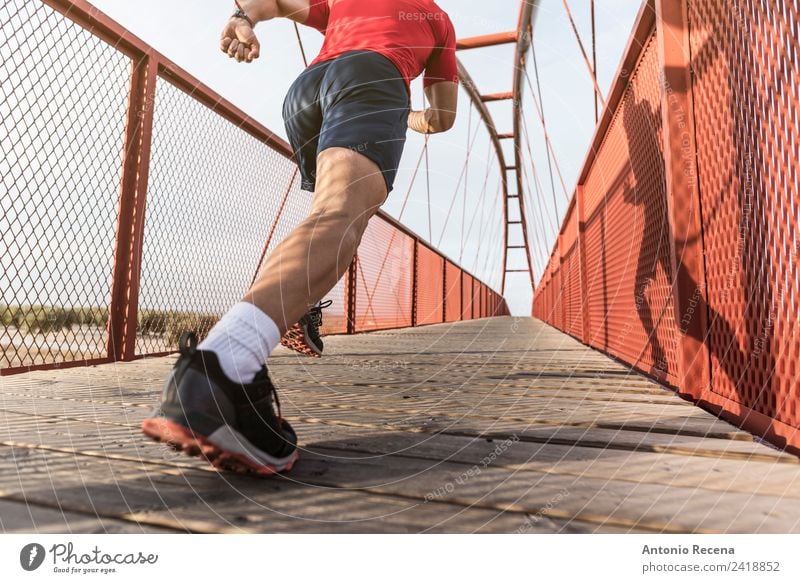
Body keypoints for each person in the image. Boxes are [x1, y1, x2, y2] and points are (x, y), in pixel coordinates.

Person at [142, 0, 459, 475]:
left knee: (330, 217)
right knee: (339, 216)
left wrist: (242, 20)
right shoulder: (437, 20)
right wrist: (400, 107)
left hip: (307, 92)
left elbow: (270, 1)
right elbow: (442, 117)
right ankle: (223, 366)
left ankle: (269, 329)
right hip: (374, 80)